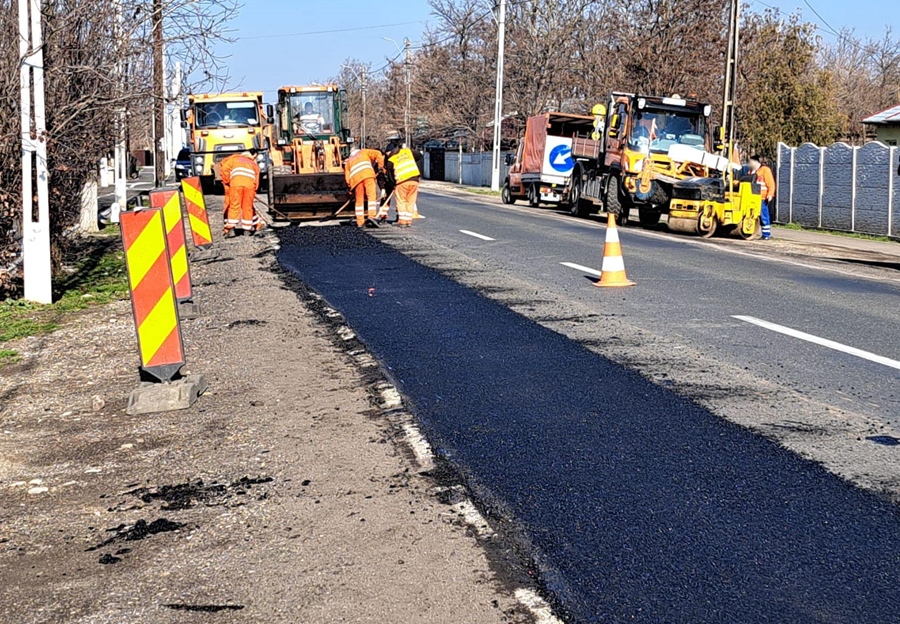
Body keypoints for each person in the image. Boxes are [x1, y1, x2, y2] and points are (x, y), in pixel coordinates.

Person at [220, 149, 262, 237]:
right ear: (253, 156)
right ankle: (247, 230)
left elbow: (225, 168)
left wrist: (227, 181)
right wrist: (254, 191)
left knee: (234, 206)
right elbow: (257, 180)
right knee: (248, 207)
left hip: (236, 184)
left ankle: (231, 229)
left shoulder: (235, 159)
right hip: (249, 186)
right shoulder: (254, 164)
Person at [344, 147, 384, 227]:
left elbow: (347, 178)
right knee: (371, 196)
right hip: (368, 176)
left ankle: (360, 222)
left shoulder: (348, 162)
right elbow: (378, 153)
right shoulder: (364, 152)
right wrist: (380, 166)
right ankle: (371, 217)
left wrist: (350, 188)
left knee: (359, 201)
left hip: (356, 181)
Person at [385, 144, 422, 227]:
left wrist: (393, 184)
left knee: (401, 201)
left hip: (402, 181)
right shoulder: (407, 152)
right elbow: (419, 155)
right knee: (410, 201)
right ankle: (408, 221)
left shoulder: (391, 159)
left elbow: (390, 176)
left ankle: (402, 221)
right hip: (414, 180)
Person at [749, 155, 775, 240]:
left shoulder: (765, 170)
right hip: (752, 197)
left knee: (763, 215)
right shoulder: (751, 171)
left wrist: (770, 194)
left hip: (762, 197)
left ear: (756, 161)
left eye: (751, 162)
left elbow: (770, 183)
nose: (750, 163)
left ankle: (766, 234)